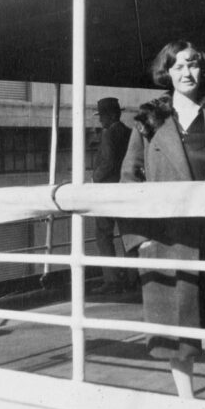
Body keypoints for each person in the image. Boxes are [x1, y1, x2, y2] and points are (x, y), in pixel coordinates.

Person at [120, 41, 205, 403]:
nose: (186, 73)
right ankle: (188, 407)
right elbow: (128, 181)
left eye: (192, 65)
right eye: (177, 66)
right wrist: (140, 242)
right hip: (168, 241)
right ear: (167, 72)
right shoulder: (148, 121)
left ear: (202, 68)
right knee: (176, 335)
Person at [91, 97, 132, 294]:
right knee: (129, 235)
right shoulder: (129, 133)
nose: (101, 121)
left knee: (103, 235)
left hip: (106, 191)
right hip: (125, 190)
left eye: (103, 116)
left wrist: (94, 179)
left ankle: (112, 280)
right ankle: (134, 277)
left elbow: (107, 163)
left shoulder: (108, 134)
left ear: (112, 115)